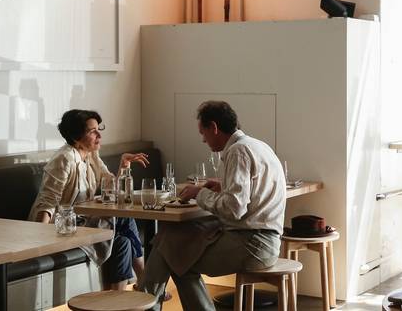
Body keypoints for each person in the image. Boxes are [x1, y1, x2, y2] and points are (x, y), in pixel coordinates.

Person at [142, 100, 286, 311]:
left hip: (252, 245)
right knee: (172, 246)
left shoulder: (238, 152)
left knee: (174, 254)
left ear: (214, 127)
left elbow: (234, 209)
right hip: (265, 241)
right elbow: (252, 193)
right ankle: (146, 302)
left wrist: (201, 193)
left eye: (203, 132)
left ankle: (145, 302)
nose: (203, 139)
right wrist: (221, 186)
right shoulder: (257, 145)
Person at [27, 109, 148, 290]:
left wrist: (124, 165)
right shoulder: (64, 158)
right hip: (60, 229)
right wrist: (40, 243)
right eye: (92, 131)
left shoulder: (90, 154)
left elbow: (110, 188)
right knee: (123, 216)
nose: (99, 134)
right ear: (76, 138)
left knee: (123, 242)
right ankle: (146, 282)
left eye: (99, 129)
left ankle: (116, 302)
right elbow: (48, 201)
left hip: (84, 225)